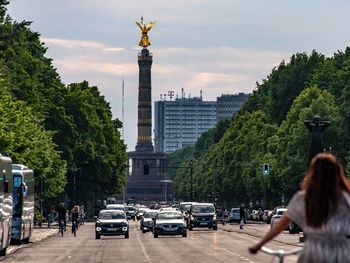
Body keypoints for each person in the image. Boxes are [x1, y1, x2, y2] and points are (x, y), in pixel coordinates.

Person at [249, 153, 350, 263]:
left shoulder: (303, 198)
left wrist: (259, 245)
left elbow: (281, 225)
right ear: (337, 174)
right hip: (342, 254)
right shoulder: (346, 198)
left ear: (313, 173)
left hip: (313, 254)